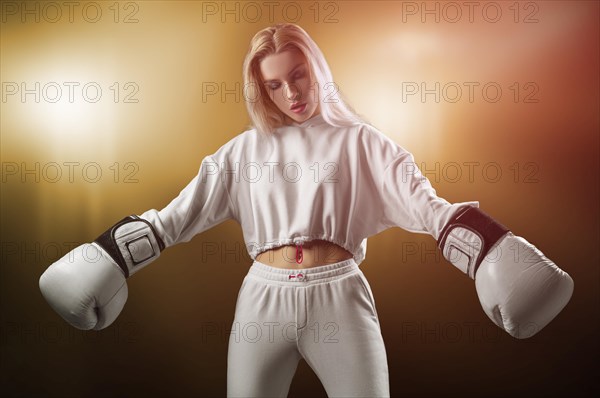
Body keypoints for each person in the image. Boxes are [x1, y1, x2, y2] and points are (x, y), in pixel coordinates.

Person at [39, 23, 574, 398]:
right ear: (260, 89)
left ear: (315, 68)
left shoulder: (363, 143)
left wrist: (492, 253)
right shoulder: (242, 152)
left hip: (338, 295)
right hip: (261, 301)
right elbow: (174, 219)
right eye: (273, 84)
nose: (290, 92)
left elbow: (430, 211)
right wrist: (110, 255)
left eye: (298, 75)